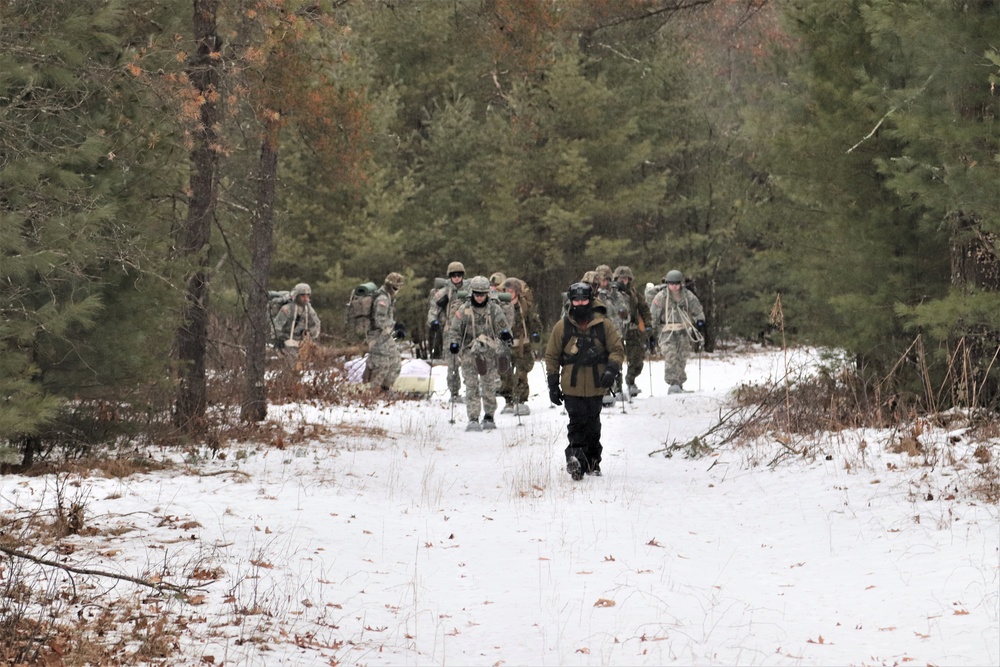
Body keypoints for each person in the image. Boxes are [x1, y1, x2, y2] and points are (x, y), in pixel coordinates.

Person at [545, 282, 625, 480]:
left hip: (597, 385)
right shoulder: (562, 326)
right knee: (576, 423)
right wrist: (553, 383)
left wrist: (611, 369)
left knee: (593, 425)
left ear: (590, 300)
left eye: (584, 299)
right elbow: (552, 355)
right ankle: (576, 459)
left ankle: (592, 462)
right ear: (570, 302)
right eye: (576, 300)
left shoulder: (603, 325)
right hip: (571, 385)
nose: (580, 303)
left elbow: (617, 349)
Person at [447, 276, 512, 431]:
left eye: (482, 294)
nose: (480, 297)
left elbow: (504, 327)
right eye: (477, 294)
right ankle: (473, 417)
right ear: (472, 293)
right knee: (471, 385)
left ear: (487, 294)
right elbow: (455, 330)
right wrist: (454, 344)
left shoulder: (494, 310)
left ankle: (489, 415)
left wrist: (505, 335)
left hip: (488, 352)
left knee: (489, 385)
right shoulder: (464, 310)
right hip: (469, 352)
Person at [649, 269, 705, 394]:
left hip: (683, 331)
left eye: (676, 284)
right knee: (671, 356)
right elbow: (653, 314)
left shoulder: (687, 295)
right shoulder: (661, 296)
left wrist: (700, 321)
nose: (674, 286)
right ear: (667, 283)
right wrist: (651, 331)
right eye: (671, 284)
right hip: (667, 332)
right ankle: (673, 383)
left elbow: (696, 308)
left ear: (681, 283)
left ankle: (679, 382)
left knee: (682, 356)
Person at [498, 277, 542, 415]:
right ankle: (509, 400)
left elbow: (534, 322)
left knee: (521, 373)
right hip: (505, 345)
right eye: (507, 290)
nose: (509, 293)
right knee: (505, 374)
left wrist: (535, 333)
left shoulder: (524, 306)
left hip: (523, 345)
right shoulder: (500, 307)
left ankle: (521, 401)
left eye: (512, 291)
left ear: (517, 292)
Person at [428, 261, 468, 403]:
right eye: (453, 275)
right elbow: (433, 310)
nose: (457, 278)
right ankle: (454, 393)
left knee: (469, 363)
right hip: (450, 332)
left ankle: (472, 390)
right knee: (452, 365)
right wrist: (433, 322)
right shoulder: (443, 292)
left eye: (459, 275)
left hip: (467, 332)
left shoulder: (469, 289)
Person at [613, 266, 652, 397]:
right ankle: (616, 387)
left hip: (633, 330)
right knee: (615, 359)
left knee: (637, 359)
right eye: (620, 278)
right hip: (616, 331)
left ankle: (631, 380)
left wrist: (648, 324)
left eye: (626, 278)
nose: (623, 281)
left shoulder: (634, 293)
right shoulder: (611, 294)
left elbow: (644, 308)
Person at [595, 265, 630, 404]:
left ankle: (617, 389)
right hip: (599, 334)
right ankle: (603, 392)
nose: (603, 283)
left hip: (615, 334)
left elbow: (626, 315)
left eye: (606, 280)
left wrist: (624, 313)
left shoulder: (617, 295)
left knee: (616, 362)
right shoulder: (594, 295)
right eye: (601, 280)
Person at [366, 272, 406, 392]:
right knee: (383, 365)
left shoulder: (388, 297)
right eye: (395, 287)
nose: (397, 290)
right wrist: (395, 326)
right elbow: (380, 320)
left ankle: (384, 389)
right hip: (377, 336)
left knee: (395, 362)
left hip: (384, 336)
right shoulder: (382, 299)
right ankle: (373, 392)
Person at [273, 282, 321, 351]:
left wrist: (310, 334)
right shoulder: (287, 309)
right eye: (302, 296)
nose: (305, 298)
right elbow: (276, 326)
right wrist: (279, 338)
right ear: (297, 296)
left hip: (302, 342)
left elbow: (316, 324)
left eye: (307, 296)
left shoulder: (309, 309)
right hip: (287, 341)